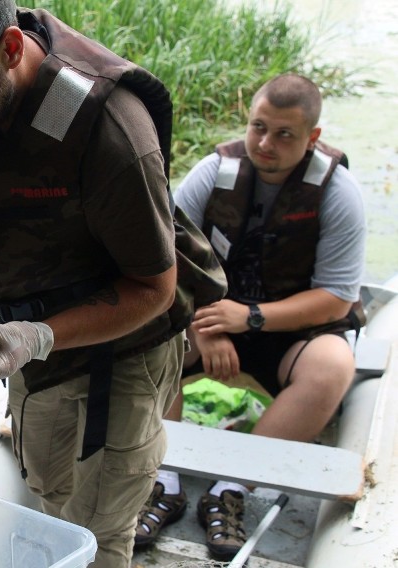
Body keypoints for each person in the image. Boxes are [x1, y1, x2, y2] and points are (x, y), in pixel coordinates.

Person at [0, 1, 206, 566]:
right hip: (26, 326)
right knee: (51, 486)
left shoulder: (110, 132)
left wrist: (40, 337)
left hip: (119, 348)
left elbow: (154, 289)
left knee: (97, 534)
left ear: (8, 49)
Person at [133, 73, 366, 561]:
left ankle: (230, 487)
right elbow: (164, 259)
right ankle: (164, 477)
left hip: (290, 330)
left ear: (313, 138)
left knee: (333, 365)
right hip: (211, 318)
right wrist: (207, 325)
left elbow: (337, 299)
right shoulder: (213, 172)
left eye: (285, 134)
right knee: (155, 328)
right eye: (259, 127)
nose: (266, 143)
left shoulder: (338, 193)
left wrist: (249, 319)